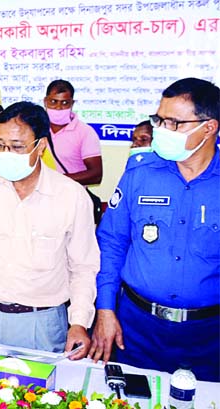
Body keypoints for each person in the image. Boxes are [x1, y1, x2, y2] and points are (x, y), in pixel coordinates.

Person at [89, 78, 220, 382]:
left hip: (209, 335)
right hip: (137, 328)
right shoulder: (140, 173)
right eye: (159, 119)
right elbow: (111, 244)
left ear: (209, 127)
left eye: (174, 122)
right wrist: (105, 310)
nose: (162, 130)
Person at [0, 101, 99, 356]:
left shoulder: (71, 196)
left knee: (37, 395)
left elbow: (83, 267)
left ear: (40, 146)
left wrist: (79, 322)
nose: (5, 154)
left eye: (17, 147)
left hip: (42, 323)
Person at [44, 79, 103, 185]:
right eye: (53, 102)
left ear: (72, 103)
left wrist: (57, 179)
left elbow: (96, 175)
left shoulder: (85, 132)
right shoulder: (34, 127)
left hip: (71, 195)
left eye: (65, 103)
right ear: (45, 101)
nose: (58, 107)